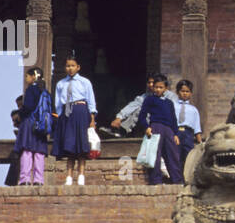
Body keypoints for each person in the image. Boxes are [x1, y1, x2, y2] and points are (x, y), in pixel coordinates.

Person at [52, 55, 98, 187]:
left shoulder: (85, 82)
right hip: (67, 113)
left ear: (78, 67)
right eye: (68, 66)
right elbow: (58, 103)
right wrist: (60, 117)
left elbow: (91, 100)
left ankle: (81, 175)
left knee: (81, 146)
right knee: (70, 145)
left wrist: (92, 119)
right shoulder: (61, 84)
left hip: (81, 111)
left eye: (73, 66)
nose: (70, 68)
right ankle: (69, 177)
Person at [14, 67, 49, 186]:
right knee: (39, 152)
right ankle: (39, 180)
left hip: (29, 122)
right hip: (42, 124)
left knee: (27, 151)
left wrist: (20, 114)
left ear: (33, 76)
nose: (26, 79)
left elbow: (28, 107)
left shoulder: (30, 90)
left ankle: (25, 179)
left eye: (27, 76)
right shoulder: (45, 91)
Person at [109, 74, 177, 135]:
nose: (150, 85)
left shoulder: (170, 97)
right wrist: (119, 117)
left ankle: (121, 131)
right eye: (149, 82)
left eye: (152, 82)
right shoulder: (146, 97)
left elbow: (174, 114)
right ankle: (121, 130)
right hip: (150, 123)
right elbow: (132, 105)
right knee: (138, 110)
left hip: (165, 124)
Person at [173, 79, 203, 159]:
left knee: (188, 156)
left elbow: (197, 128)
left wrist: (200, 143)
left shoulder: (194, 110)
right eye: (182, 91)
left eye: (187, 91)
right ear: (177, 92)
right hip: (176, 132)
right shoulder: (172, 106)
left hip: (188, 134)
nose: (185, 93)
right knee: (175, 156)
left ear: (191, 93)